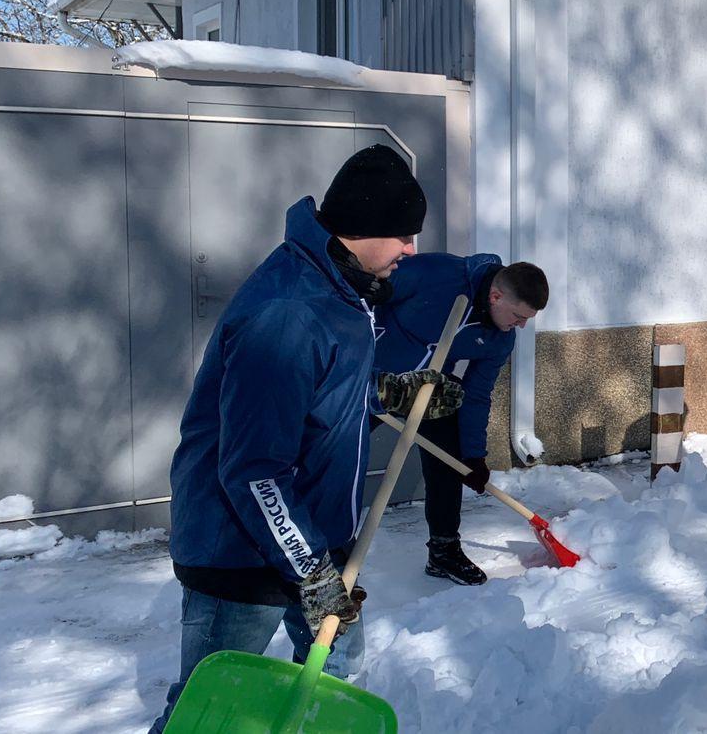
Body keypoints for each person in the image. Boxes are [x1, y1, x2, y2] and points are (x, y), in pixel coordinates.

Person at [150, 145, 464, 732]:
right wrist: (310, 569)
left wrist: (389, 393)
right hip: (242, 553)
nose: (411, 250)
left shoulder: (340, 292)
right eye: (402, 234)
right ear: (363, 229)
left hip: (310, 540)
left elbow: (318, 394)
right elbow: (253, 471)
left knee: (332, 685)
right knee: (212, 710)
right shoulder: (289, 312)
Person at [376, 254, 550, 585]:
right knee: (330, 458)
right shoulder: (439, 274)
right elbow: (371, 290)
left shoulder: (501, 338)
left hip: (424, 388)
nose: (522, 325)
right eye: (518, 315)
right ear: (496, 296)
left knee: (449, 455)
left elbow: (476, 395)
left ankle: (443, 551)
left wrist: (474, 456)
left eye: (528, 318)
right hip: (367, 377)